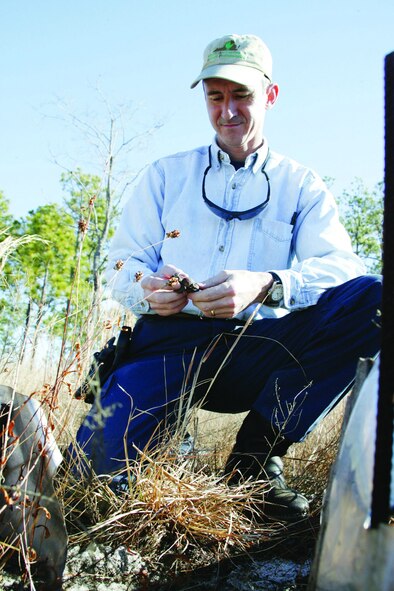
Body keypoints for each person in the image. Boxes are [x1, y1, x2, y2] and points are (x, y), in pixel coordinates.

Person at [75, 33, 381, 521]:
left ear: (271, 96)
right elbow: (120, 264)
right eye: (215, 97)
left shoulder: (300, 184)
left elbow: (343, 268)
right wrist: (147, 289)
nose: (227, 111)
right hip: (166, 346)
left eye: (242, 95)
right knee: (89, 475)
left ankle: (256, 460)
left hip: (259, 348)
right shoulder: (165, 176)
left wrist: (269, 283)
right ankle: (152, 453)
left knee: (375, 299)